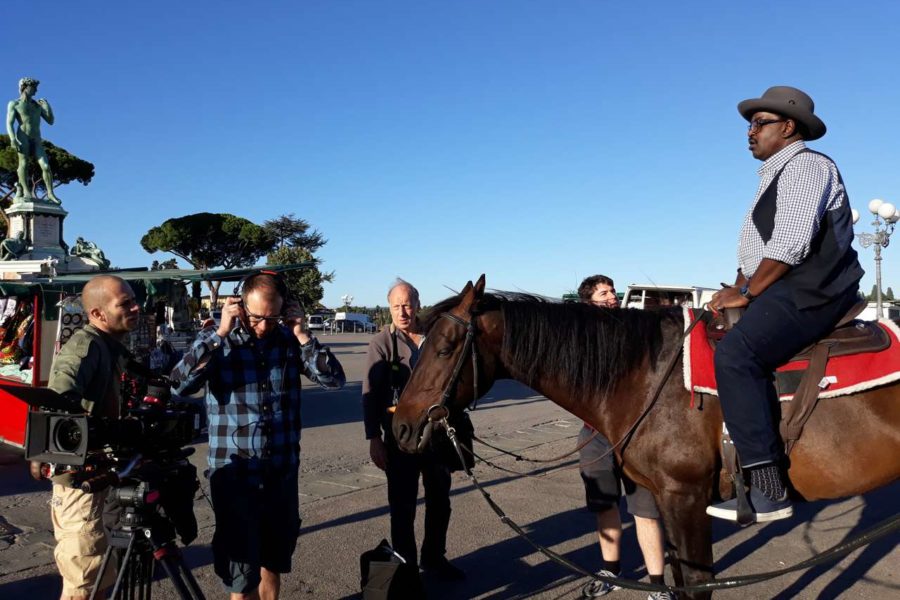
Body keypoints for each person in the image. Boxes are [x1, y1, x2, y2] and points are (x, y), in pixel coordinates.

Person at [706, 86, 864, 523]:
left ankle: (770, 485)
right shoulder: (775, 174)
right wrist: (735, 286)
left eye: (759, 124)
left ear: (788, 127)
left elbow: (790, 243)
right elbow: (756, 254)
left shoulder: (807, 167)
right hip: (788, 288)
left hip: (814, 291)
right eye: (749, 125)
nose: (749, 133)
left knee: (738, 356)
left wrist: (750, 292)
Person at [171, 272, 345, 600]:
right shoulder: (218, 340)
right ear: (238, 305)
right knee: (240, 574)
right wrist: (220, 332)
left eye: (273, 316)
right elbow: (179, 384)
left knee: (274, 560)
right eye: (256, 316)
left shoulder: (288, 341)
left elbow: (334, 379)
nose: (264, 325)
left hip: (280, 473)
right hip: (236, 477)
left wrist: (302, 334)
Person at [576, 275, 673, 600]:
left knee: (645, 511)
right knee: (605, 506)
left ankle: (658, 585)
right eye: (604, 293)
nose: (612, 296)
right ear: (589, 301)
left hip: (635, 434)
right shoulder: (580, 339)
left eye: (612, 291)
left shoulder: (633, 328)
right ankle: (611, 571)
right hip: (595, 436)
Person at [363, 278, 465, 582]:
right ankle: (407, 572)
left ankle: (434, 557)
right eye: (396, 306)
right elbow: (370, 395)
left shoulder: (436, 336)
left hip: (435, 436)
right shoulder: (381, 343)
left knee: (440, 501)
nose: (402, 311)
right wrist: (374, 439)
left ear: (418, 305)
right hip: (401, 438)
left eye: (407, 304)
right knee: (403, 508)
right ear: (389, 308)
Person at [47, 275, 141, 600]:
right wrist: (94, 430)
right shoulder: (85, 347)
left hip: (102, 479)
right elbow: (58, 398)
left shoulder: (111, 346)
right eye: (124, 303)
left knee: (99, 579)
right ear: (98, 314)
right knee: (82, 585)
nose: (135, 307)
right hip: (81, 484)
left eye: (133, 299)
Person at [6, 77, 61, 203]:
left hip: (36, 139)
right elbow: (9, 123)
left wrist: (48, 107)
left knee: (46, 166)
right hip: (22, 136)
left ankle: (51, 194)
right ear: (25, 87)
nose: (36, 91)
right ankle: (25, 191)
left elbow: (50, 121)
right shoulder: (14, 104)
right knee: (23, 164)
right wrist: (12, 138)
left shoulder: (37, 105)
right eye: (34, 88)